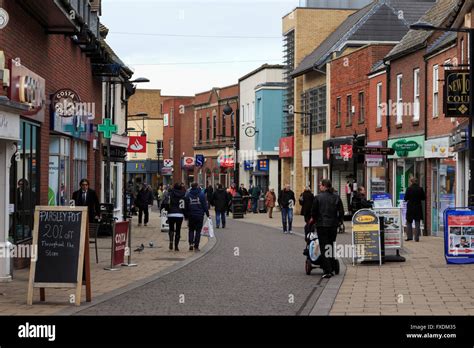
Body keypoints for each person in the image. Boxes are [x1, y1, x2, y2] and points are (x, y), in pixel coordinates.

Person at [310, 179, 344, 279]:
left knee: (324, 247)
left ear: (325, 186)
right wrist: (339, 222)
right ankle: (333, 265)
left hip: (322, 225)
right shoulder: (336, 197)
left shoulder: (318, 198)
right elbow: (341, 212)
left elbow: (314, 212)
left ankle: (328, 270)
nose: (319, 187)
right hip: (333, 225)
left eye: (320, 185)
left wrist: (315, 222)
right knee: (331, 245)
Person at [185, 182, 210, 251]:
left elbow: (186, 206)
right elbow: (205, 206)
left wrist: (186, 215)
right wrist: (208, 214)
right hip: (199, 215)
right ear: (197, 186)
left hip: (191, 215)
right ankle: (196, 246)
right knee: (198, 231)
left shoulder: (188, 195)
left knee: (191, 230)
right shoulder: (202, 195)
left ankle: (190, 244)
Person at [404, 177, 426, 242]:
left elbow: (405, 198)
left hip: (410, 207)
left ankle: (409, 237)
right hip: (418, 207)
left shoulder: (409, 189)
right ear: (417, 182)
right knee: (417, 222)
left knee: (409, 222)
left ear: (411, 182)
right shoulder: (420, 189)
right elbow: (423, 198)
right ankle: (416, 238)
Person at [167, 183, 187, 251]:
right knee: (178, 230)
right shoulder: (183, 195)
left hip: (171, 213)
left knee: (171, 228)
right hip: (179, 214)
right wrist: (185, 215)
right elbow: (184, 206)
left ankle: (171, 241)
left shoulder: (170, 194)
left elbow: (166, 203)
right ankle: (176, 246)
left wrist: (166, 211)